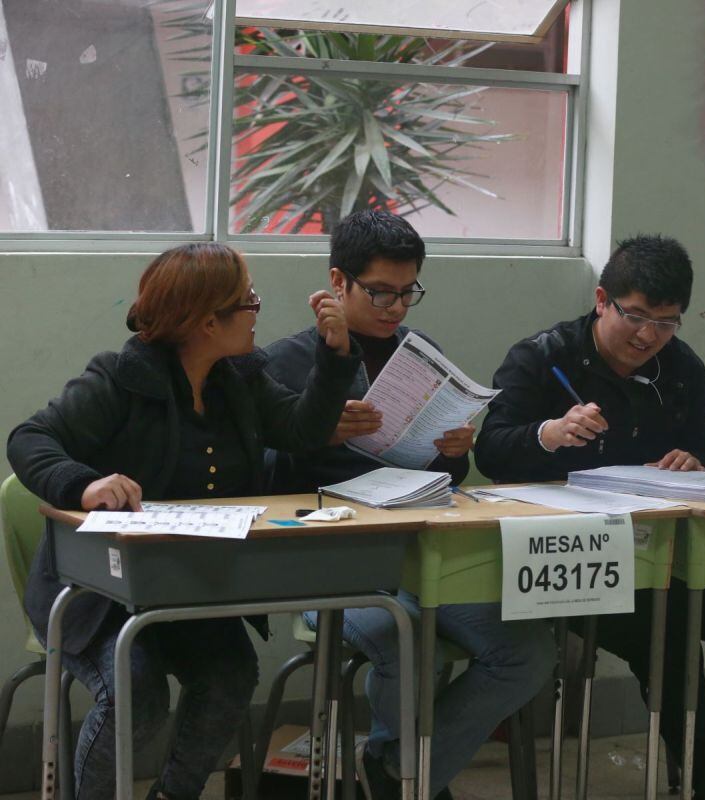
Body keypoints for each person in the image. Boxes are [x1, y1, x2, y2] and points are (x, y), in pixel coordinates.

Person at [477, 235, 705, 800]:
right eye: (636, 316)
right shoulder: (543, 358)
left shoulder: (680, 368)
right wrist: (547, 434)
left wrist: (695, 465)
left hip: (667, 556)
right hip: (577, 563)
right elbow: (490, 451)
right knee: (662, 632)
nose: (648, 336)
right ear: (602, 300)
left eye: (667, 323)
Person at [8, 243, 362, 800]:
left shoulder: (238, 377)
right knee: (137, 694)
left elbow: (299, 431)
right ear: (206, 321)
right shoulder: (122, 377)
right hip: (97, 590)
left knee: (229, 677)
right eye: (248, 301)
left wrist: (335, 355)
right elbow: (29, 439)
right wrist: (84, 484)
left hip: (181, 582)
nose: (257, 310)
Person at [263, 210, 557, 800]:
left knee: (528, 652)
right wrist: (317, 433)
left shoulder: (420, 355)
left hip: (425, 553)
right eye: (379, 292)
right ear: (338, 282)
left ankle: (401, 769)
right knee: (404, 637)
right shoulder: (286, 363)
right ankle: (414, 779)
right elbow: (264, 483)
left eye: (407, 293)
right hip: (335, 560)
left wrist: (452, 451)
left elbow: (444, 479)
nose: (395, 308)